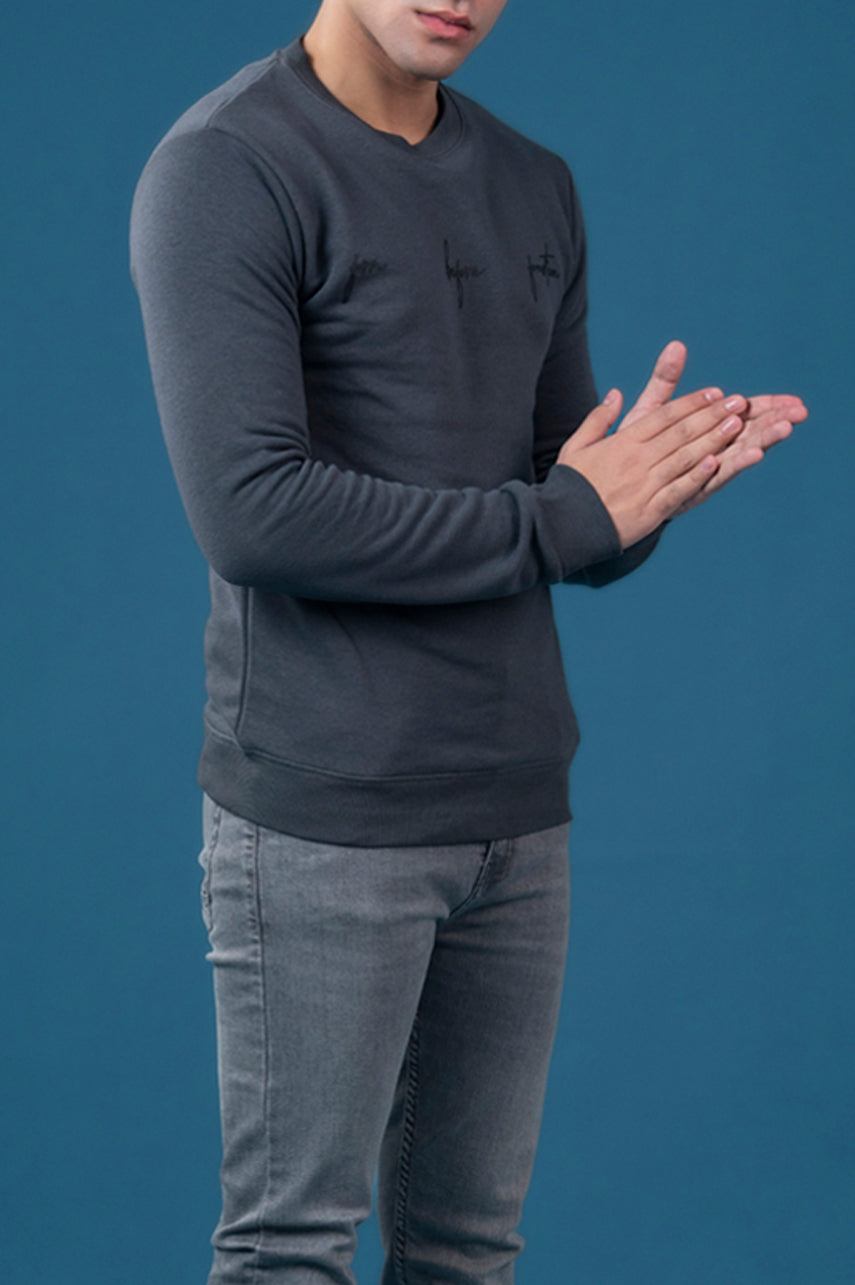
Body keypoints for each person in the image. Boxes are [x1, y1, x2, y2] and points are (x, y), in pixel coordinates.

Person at [130, 3, 807, 1281]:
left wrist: (652, 492)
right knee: (291, 1249)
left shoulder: (533, 182)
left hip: (516, 809)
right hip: (325, 813)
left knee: (468, 1253)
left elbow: (562, 509)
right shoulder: (228, 167)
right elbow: (255, 513)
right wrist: (569, 515)